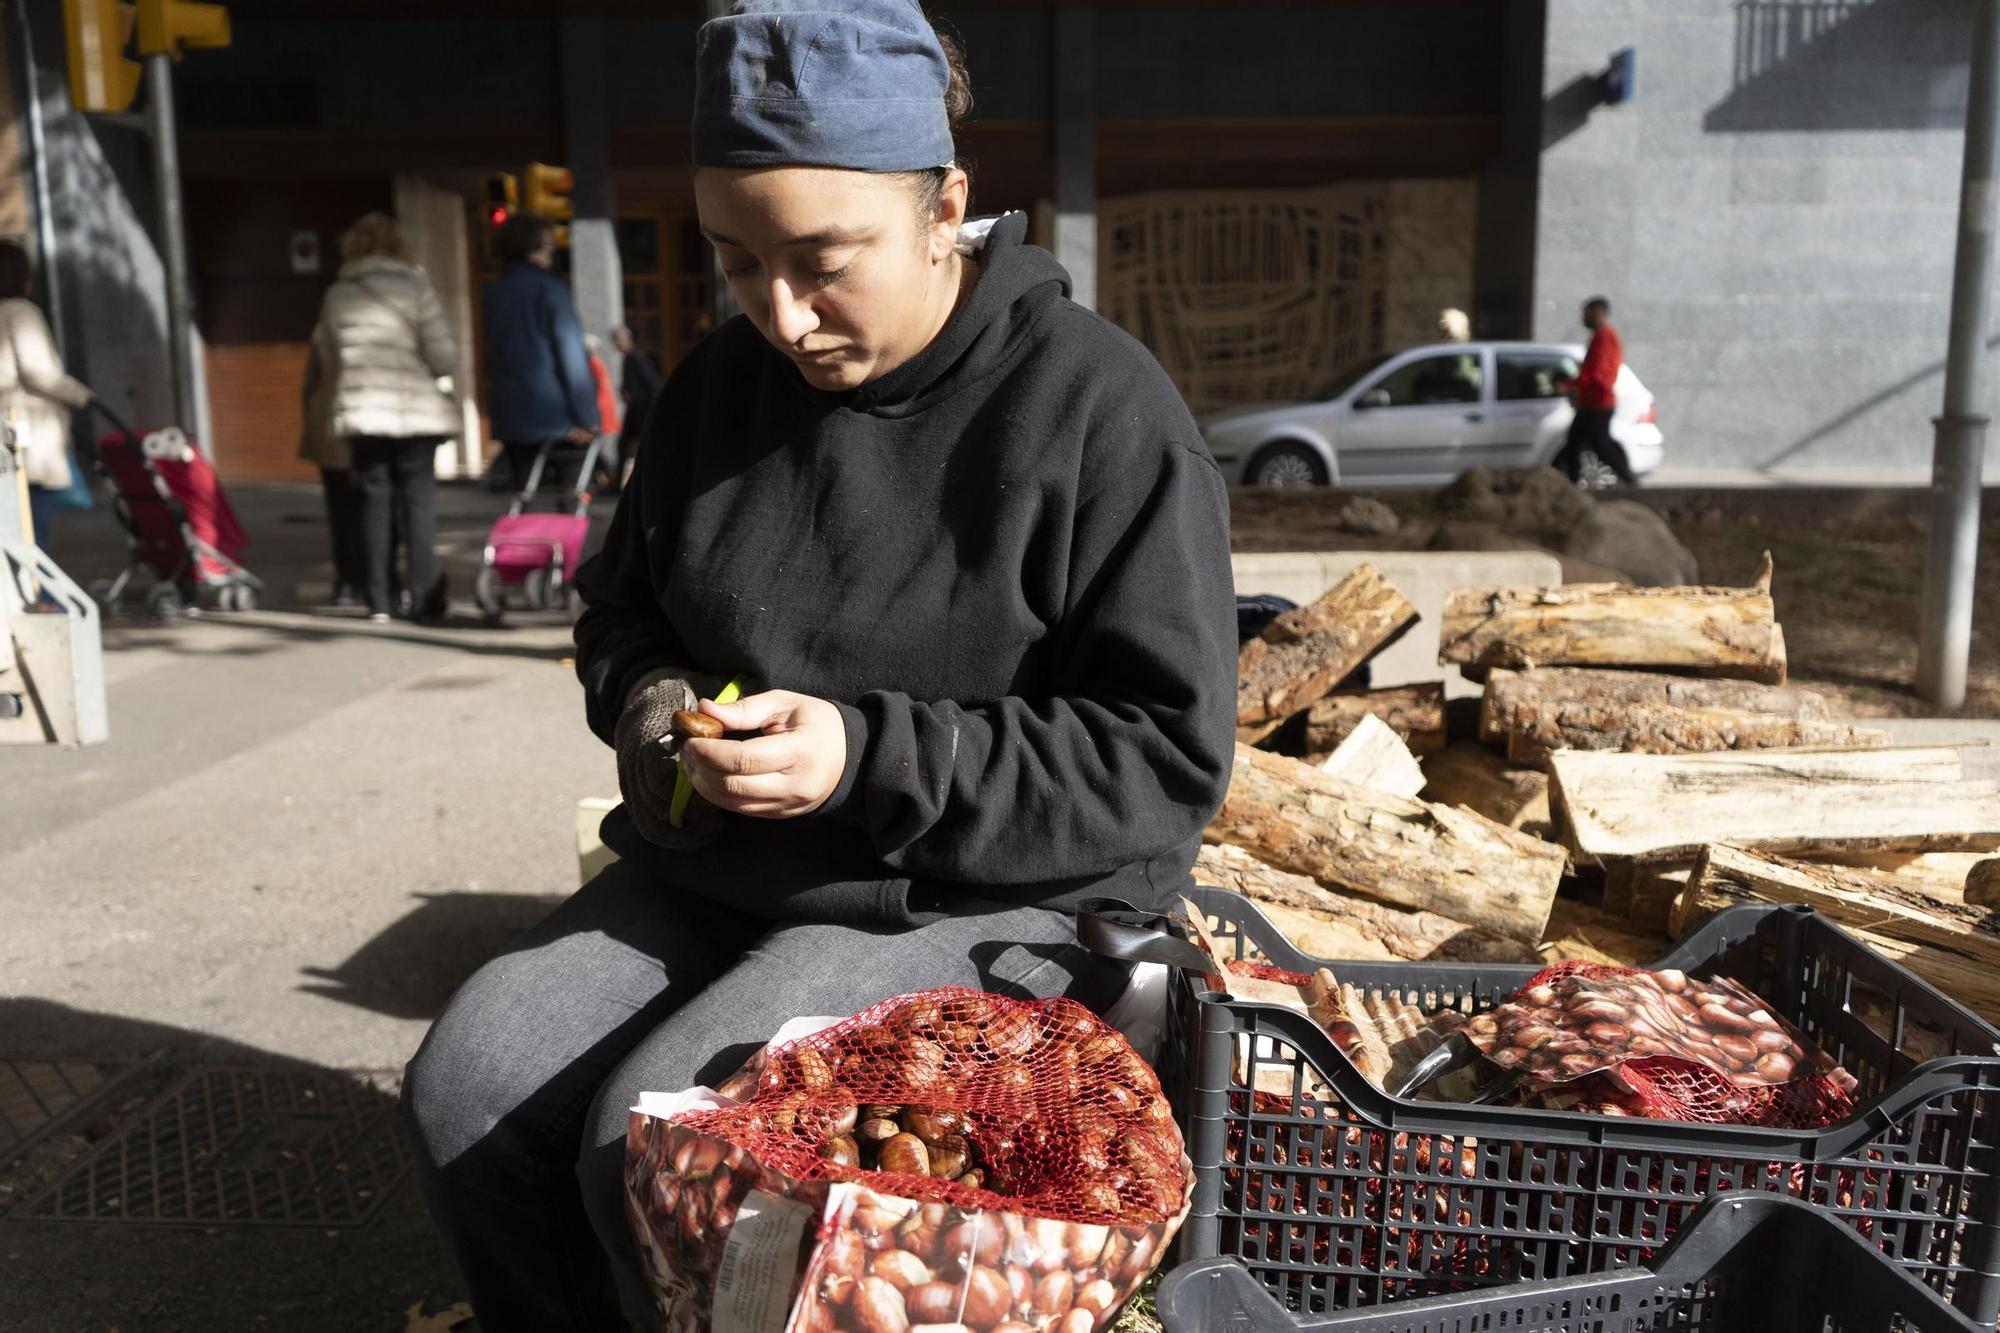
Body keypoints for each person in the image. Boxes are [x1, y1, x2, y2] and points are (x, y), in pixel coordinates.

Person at [397, 3, 1238, 1328]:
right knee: (467, 1082)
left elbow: (1163, 761)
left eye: (824, 261)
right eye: (735, 262)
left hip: (983, 900)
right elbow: (620, 616)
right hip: (721, 875)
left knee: (662, 1137)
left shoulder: (1097, 411)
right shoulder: (714, 391)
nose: (782, 314)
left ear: (943, 205)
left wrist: (867, 754)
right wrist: (656, 707)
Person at [309, 212, 460, 622]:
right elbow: (444, 357)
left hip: (363, 415)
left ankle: (379, 599)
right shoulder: (415, 286)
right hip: (414, 414)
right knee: (418, 503)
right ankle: (426, 599)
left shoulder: (337, 294)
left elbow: (326, 356)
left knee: (373, 503)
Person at [481, 214, 599, 492]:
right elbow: (570, 355)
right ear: (533, 249)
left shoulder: (494, 292)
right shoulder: (551, 289)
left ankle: (529, 536)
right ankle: (564, 536)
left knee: (525, 494)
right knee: (570, 492)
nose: (551, 254)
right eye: (548, 247)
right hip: (557, 414)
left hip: (512, 412)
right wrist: (587, 416)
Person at [0, 239, 92, 542]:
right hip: (24, 440)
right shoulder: (20, 313)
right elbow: (39, 372)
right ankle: (35, 590)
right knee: (31, 530)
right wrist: (82, 396)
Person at [298, 337, 365, 606]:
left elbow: (309, 385)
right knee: (382, 509)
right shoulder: (409, 305)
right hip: (384, 430)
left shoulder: (331, 313)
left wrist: (315, 422)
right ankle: (382, 584)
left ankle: (347, 583)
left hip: (334, 427)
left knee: (342, 513)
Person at [1554, 295, 1636, 485]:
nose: (1583, 318)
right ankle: (1573, 485)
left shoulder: (1604, 337)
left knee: (1597, 446)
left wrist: (1570, 385)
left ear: (1597, 313)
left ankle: (1630, 482)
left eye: (1586, 313)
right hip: (1592, 401)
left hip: (1597, 402)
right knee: (1578, 445)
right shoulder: (1604, 336)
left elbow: (1596, 373)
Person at [609, 324, 660, 491]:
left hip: (641, 411)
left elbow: (653, 386)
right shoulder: (629, 358)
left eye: (617, 340)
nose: (615, 344)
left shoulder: (635, 358)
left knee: (636, 448)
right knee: (625, 447)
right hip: (637, 410)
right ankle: (620, 484)